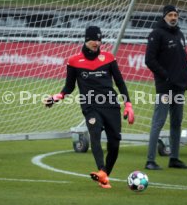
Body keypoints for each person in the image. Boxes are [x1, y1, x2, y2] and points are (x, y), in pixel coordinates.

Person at [44, 26, 134, 188]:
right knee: (95, 134)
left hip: (111, 105)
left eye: (99, 40)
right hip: (90, 106)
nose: (96, 43)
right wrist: (56, 97)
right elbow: (69, 87)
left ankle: (104, 174)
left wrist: (128, 104)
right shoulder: (73, 61)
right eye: (93, 39)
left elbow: (120, 83)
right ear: (86, 39)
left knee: (114, 144)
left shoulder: (108, 58)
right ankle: (100, 170)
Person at [144, 5, 187, 170]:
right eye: (170, 14)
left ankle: (174, 158)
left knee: (177, 123)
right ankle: (150, 160)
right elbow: (149, 60)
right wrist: (165, 76)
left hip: (179, 87)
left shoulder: (179, 34)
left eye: (175, 15)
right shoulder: (156, 34)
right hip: (165, 88)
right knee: (158, 122)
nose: (173, 17)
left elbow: (182, 60)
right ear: (164, 16)